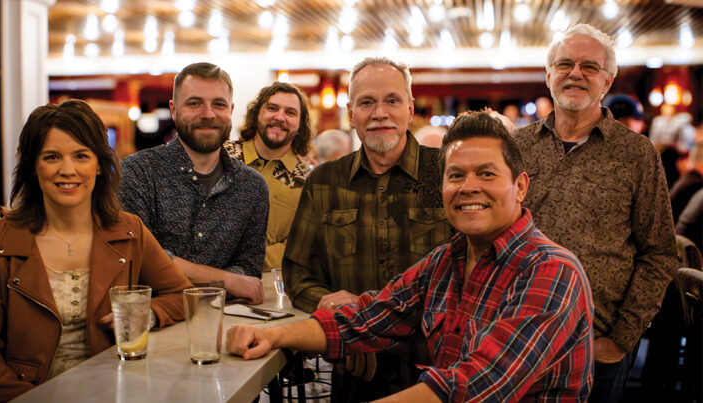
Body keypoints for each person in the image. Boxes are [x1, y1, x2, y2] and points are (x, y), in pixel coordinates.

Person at [229, 111, 594, 402]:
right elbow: (367, 316)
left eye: (486, 174)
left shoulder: (551, 271)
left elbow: (473, 386)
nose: (468, 187)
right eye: (455, 175)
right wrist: (275, 336)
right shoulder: (446, 261)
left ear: (520, 186)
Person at [0, 100, 191, 402]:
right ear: (32, 167)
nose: (68, 170)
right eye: (51, 157)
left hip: (115, 392)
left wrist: (149, 315)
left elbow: (183, 296)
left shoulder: (128, 229)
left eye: (81, 156)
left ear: (99, 164)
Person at [512, 23, 676, 402]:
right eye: (565, 63)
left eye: (589, 66)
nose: (575, 73)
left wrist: (621, 339)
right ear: (548, 75)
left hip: (596, 345)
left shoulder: (637, 154)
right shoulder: (515, 147)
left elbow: (659, 252)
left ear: (608, 80)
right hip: (516, 337)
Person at [282, 57, 453, 401]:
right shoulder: (324, 181)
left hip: (438, 373)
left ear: (409, 109)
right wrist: (343, 315)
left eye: (392, 100)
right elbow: (298, 274)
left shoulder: (449, 173)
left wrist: (367, 321)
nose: (379, 113)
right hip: (353, 375)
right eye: (366, 103)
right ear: (351, 113)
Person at [119, 62, 269, 304]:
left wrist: (178, 269)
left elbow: (248, 270)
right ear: (174, 109)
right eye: (194, 103)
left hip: (226, 325)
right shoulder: (136, 172)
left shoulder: (253, 186)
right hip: (154, 324)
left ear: (230, 110)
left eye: (218, 104)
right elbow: (137, 261)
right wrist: (228, 281)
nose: (208, 114)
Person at [223, 82, 312, 271]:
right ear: (256, 114)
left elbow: (301, 246)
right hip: (206, 282)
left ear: (300, 126)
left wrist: (244, 264)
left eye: (290, 112)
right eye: (272, 108)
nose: (280, 117)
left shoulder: (306, 181)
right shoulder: (221, 157)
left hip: (268, 289)